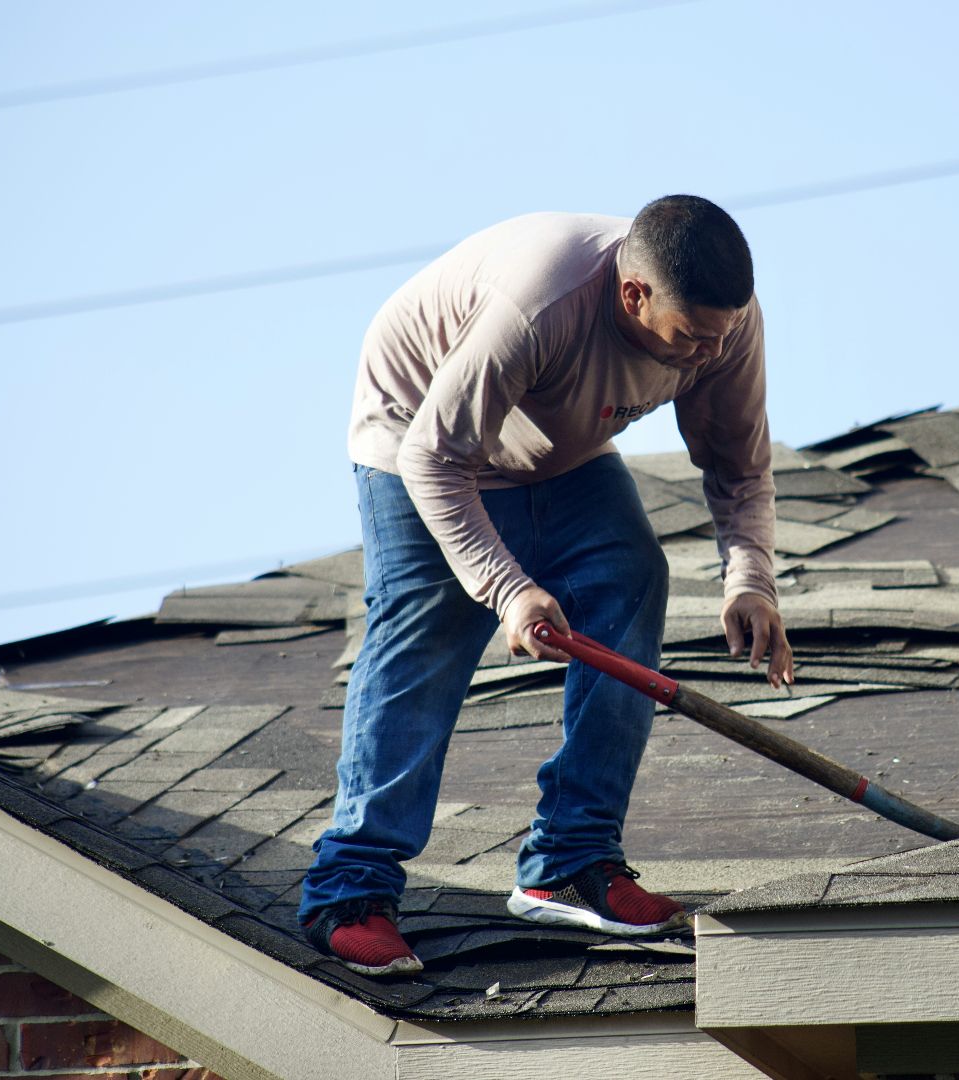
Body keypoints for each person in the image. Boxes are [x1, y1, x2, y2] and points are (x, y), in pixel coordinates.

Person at [297, 195, 795, 976]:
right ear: (634, 296)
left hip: (555, 450)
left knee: (630, 577)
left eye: (720, 336)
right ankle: (350, 891)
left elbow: (739, 464)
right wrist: (506, 588)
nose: (706, 354)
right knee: (428, 628)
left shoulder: (722, 324)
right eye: (692, 337)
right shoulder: (540, 305)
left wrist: (751, 580)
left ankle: (570, 860)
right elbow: (436, 458)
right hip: (418, 439)